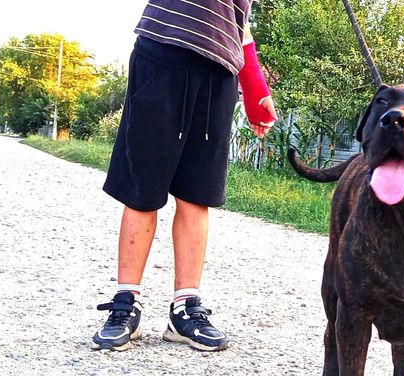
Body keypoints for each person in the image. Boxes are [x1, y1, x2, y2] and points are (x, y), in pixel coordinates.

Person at [92, 0, 276, 352]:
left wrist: (254, 87)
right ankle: (125, 301)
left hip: (220, 69)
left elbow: (239, 23)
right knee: (143, 188)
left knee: (197, 193)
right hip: (163, 52)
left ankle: (184, 310)